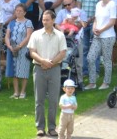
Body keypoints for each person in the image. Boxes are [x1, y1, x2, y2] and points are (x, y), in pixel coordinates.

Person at [27, 10, 68, 138]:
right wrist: (43, 61)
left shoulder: (60, 35)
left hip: (55, 69)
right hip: (39, 69)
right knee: (39, 100)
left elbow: (62, 53)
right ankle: (40, 127)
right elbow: (32, 52)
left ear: (53, 20)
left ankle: (51, 127)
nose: (44, 22)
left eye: (47, 20)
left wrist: (50, 63)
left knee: (53, 100)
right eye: (43, 20)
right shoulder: (36, 34)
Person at [85, 0, 116, 90]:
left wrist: (101, 30)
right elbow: (96, 19)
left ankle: (106, 82)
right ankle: (92, 82)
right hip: (97, 35)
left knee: (107, 59)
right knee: (90, 58)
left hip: (108, 36)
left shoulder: (112, 4)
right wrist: (94, 28)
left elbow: (112, 21)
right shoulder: (98, 4)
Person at [5, 4, 34, 99]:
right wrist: (9, 46)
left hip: (24, 49)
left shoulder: (28, 22)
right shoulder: (11, 22)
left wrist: (20, 46)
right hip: (12, 49)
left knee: (23, 71)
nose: (18, 12)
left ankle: (23, 91)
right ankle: (16, 92)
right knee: (14, 71)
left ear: (25, 12)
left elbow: (29, 36)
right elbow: (7, 36)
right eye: (17, 10)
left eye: (20, 11)